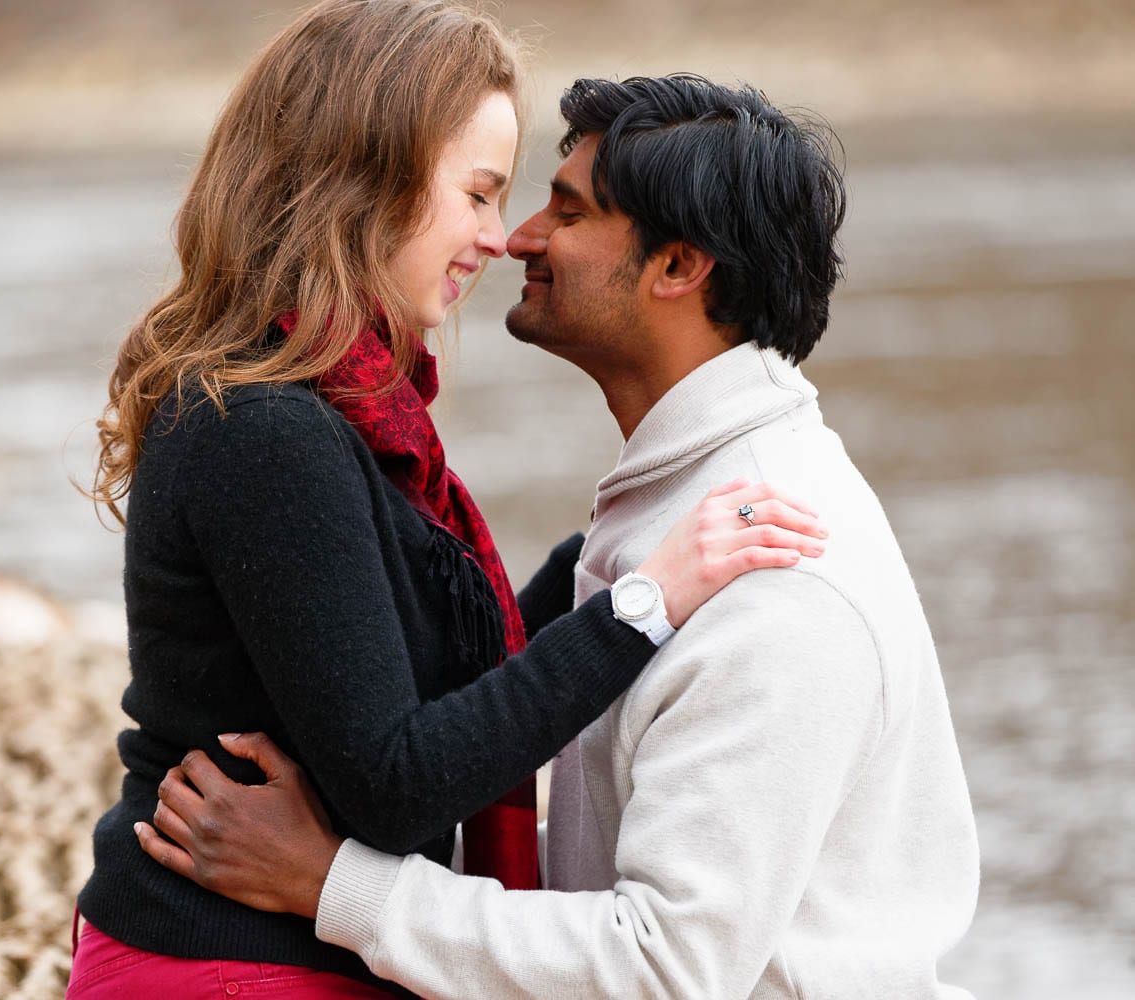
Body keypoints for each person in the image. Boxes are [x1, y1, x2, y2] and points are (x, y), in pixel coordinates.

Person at [137, 74, 981, 999]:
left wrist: (335, 883)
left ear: (678, 267)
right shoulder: (681, 517)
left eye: (566, 213)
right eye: (497, 197)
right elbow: (612, 832)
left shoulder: (768, 565)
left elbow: (665, 967)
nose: (517, 239)